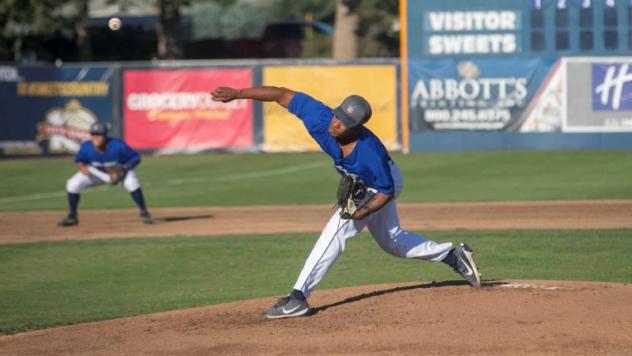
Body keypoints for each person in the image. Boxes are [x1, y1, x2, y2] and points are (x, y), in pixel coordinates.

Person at [211, 86, 481, 319]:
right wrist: (238, 94)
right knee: (393, 242)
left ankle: (297, 298)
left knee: (337, 229)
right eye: (337, 115)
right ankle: (451, 254)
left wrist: (357, 213)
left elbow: (385, 191)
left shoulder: (369, 152)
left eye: (344, 121)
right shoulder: (321, 118)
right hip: (369, 182)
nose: (336, 123)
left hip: (380, 183)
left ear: (357, 127)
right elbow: (281, 94)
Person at [57, 122, 153, 226]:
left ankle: (144, 212)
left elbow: (136, 158)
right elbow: (80, 161)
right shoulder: (86, 147)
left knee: (132, 183)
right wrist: (82, 166)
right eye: (93, 134)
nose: (95, 137)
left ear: (105, 136)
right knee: (73, 184)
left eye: (99, 134)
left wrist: (124, 168)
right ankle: (72, 216)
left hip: (120, 172)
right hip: (97, 174)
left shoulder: (118, 146)